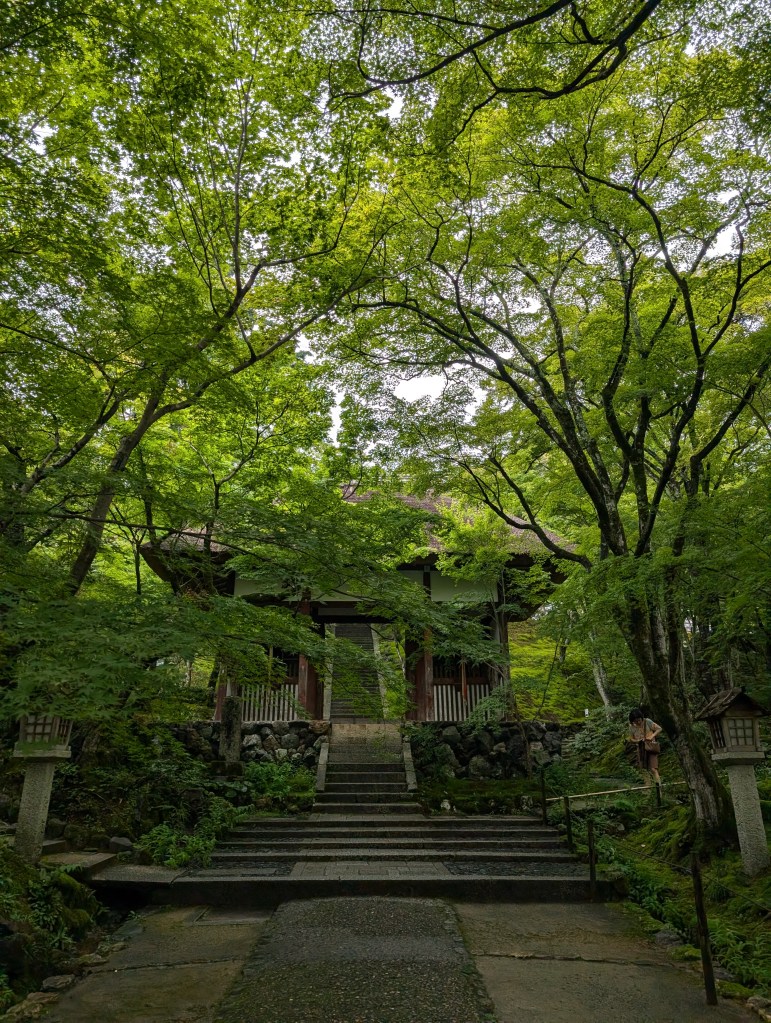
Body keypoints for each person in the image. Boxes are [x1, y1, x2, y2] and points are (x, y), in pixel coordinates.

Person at [628, 708, 663, 785]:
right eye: (635, 721)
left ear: (641, 718)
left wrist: (652, 736)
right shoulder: (632, 727)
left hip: (651, 747)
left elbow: (659, 729)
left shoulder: (647, 721)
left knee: (653, 769)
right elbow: (631, 739)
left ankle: (659, 790)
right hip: (641, 748)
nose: (638, 722)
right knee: (644, 770)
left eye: (639, 720)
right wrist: (638, 740)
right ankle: (648, 789)